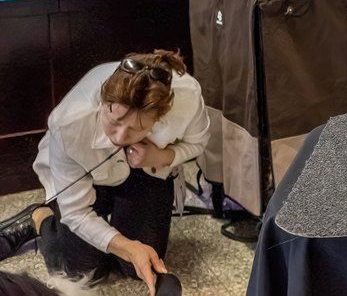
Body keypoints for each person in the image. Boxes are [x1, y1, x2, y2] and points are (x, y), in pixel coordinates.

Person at [0, 50, 210, 295]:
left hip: (147, 169)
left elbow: (198, 142)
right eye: (115, 120)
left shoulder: (186, 95)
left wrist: (161, 156)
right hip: (89, 176)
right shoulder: (69, 122)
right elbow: (76, 212)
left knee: (135, 268)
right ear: (104, 100)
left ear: (160, 116)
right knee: (82, 272)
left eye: (137, 128)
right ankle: (41, 217)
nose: (120, 136)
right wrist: (127, 246)